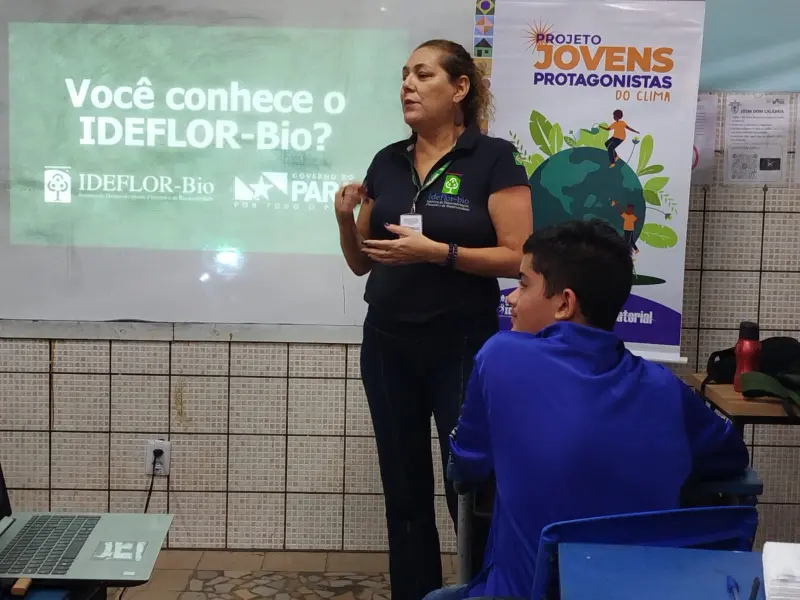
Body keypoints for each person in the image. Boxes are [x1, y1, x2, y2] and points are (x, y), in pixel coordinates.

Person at [425, 220, 749, 600]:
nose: (510, 297)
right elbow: (732, 457)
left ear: (565, 302)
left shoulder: (500, 356)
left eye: (524, 283)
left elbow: (467, 466)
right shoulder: (667, 390)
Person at [334, 39, 532, 600]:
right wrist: (345, 221)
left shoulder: (493, 158)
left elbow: (519, 254)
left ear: (460, 88)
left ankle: (482, 591)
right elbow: (360, 262)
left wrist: (438, 252)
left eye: (422, 75)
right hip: (388, 343)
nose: (408, 85)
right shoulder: (387, 160)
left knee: (466, 483)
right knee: (404, 489)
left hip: (462, 344)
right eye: (404, 76)